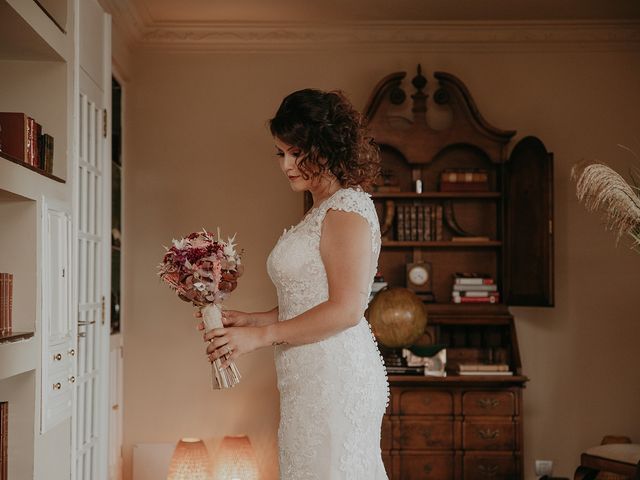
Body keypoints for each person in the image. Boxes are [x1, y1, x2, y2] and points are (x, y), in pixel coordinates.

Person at [200, 88, 389, 479]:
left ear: (327, 147)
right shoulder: (320, 210)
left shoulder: (346, 211)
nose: (286, 164)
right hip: (307, 371)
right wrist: (250, 321)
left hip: (335, 374)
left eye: (296, 152)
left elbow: (346, 310)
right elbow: (310, 300)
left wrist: (263, 336)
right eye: (281, 153)